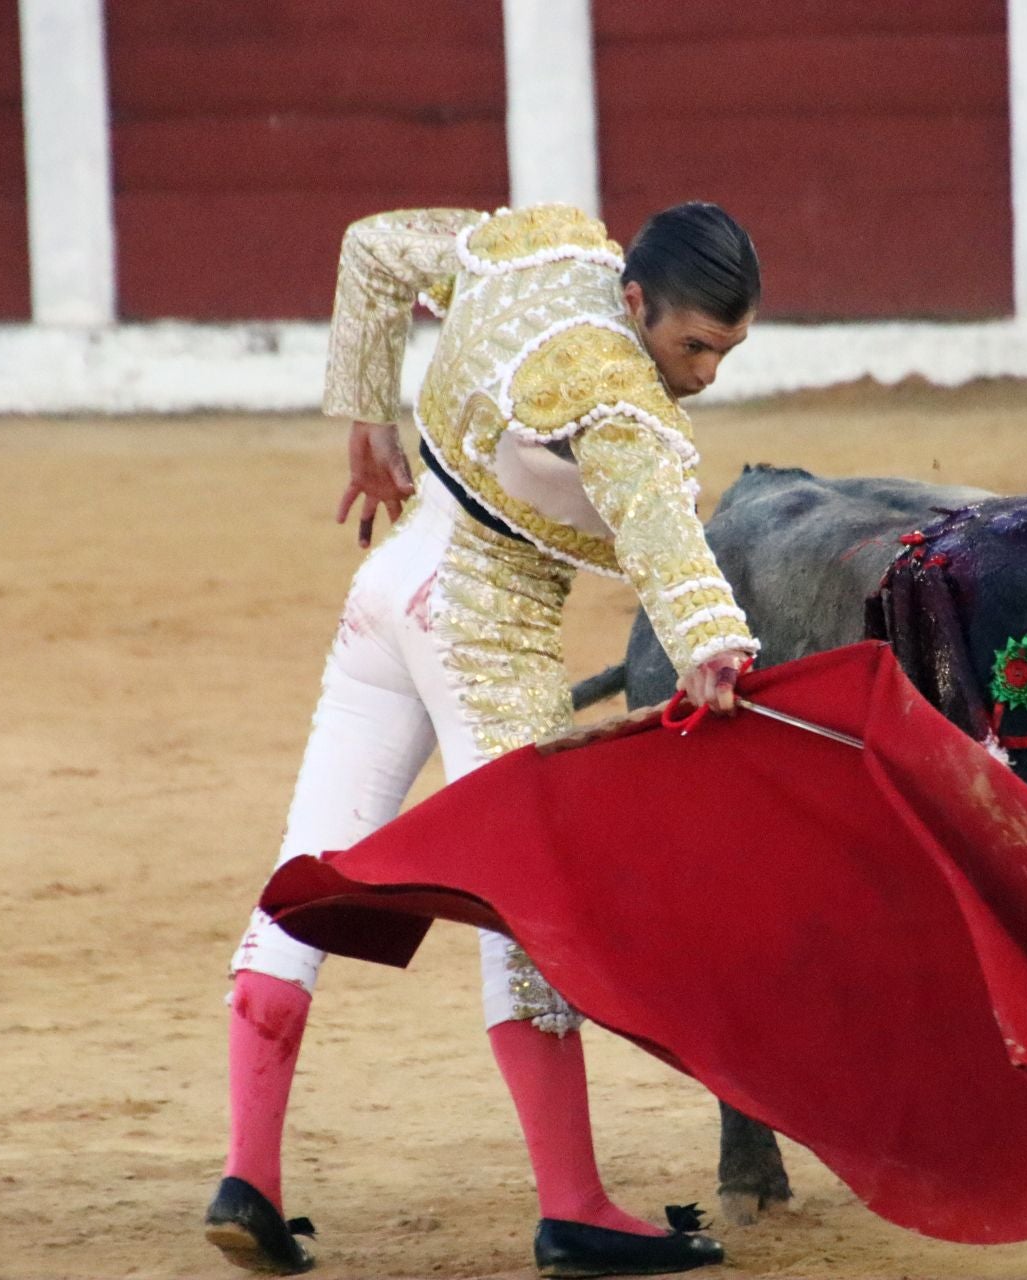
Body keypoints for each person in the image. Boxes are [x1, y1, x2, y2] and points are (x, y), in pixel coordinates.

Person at [204, 201, 762, 1277]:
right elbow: (661, 531)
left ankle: (247, 1179)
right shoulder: (622, 402)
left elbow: (373, 248)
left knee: (302, 874)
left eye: (726, 353)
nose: (703, 374)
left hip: (388, 595)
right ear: (636, 301)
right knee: (531, 914)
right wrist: (714, 646)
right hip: (484, 639)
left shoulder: (541, 249)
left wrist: (367, 419)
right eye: (694, 346)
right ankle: (575, 1207)